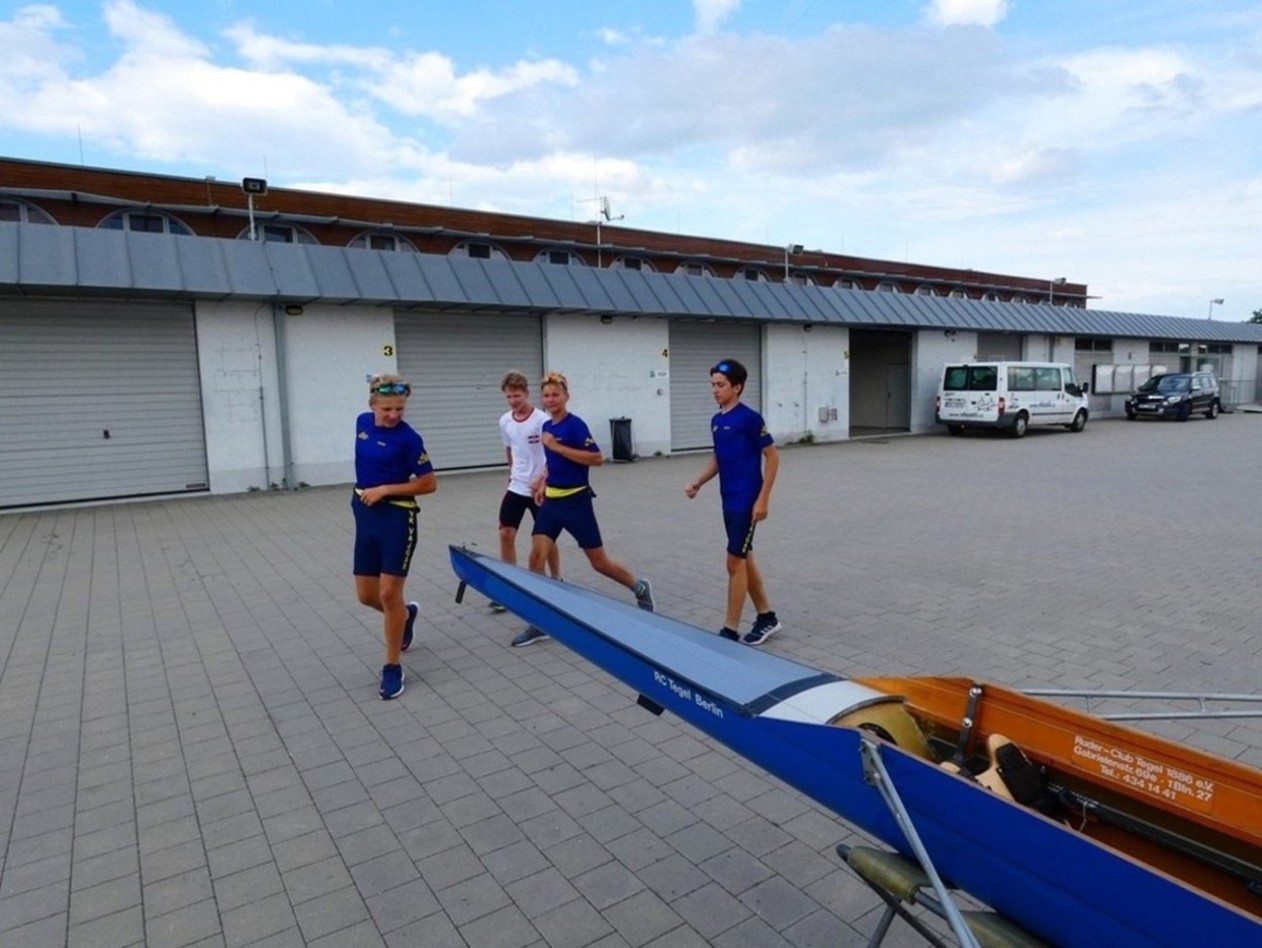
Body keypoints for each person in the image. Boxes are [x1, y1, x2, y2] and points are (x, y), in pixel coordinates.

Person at [511, 371, 654, 646]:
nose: (551, 400)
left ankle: (639, 587)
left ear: (566, 396)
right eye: (546, 395)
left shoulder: (575, 426)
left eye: (556, 395)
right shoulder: (546, 427)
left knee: (599, 563)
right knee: (535, 557)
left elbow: (596, 458)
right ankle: (538, 622)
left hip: (577, 502)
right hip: (552, 502)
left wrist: (558, 447)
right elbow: (552, 461)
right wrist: (543, 481)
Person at [684, 358, 782, 646]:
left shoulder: (750, 418)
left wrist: (763, 499)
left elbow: (772, 457)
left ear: (737, 387)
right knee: (744, 557)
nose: (715, 389)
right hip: (728, 500)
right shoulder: (717, 421)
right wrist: (698, 482)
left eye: (721, 385)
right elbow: (719, 457)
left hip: (746, 501)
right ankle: (767, 617)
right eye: (713, 384)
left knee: (734, 562)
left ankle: (729, 630)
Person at [351, 373, 437, 699]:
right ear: (372, 404)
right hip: (366, 515)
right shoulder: (361, 423)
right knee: (366, 596)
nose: (393, 415)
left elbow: (429, 483)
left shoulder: (409, 439)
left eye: (399, 409)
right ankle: (406, 615)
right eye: (387, 408)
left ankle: (392, 667)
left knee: (389, 594)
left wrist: (385, 489)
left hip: (398, 518)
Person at [492, 370, 559, 612]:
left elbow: (553, 453)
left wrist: (543, 479)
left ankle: (556, 580)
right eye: (509, 397)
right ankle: (511, 584)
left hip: (541, 488)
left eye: (517, 396)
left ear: (527, 394)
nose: (513, 401)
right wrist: (512, 473)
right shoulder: (505, 421)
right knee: (505, 533)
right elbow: (510, 449)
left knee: (546, 538)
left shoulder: (542, 420)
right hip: (517, 486)